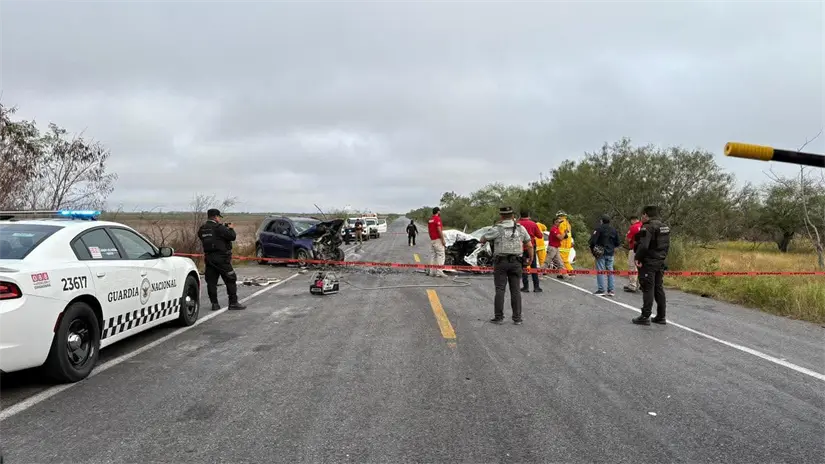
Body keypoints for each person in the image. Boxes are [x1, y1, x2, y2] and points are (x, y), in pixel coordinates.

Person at [479, 206, 533, 325]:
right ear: (513, 216)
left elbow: (482, 239)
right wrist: (530, 259)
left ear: (501, 216)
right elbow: (529, 245)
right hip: (516, 262)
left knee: (500, 290)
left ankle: (499, 317)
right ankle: (517, 318)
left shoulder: (497, 228)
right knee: (516, 290)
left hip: (501, 262)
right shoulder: (520, 228)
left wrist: (493, 229)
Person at [197, 208, 246, 311]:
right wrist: (230, 228)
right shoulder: (219, 228)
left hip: (209, 258)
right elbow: (232, 237)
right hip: (222, 259)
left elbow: (203, 237)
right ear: (216, 217)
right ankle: (233, 303)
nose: (219, 219)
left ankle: (214, 304)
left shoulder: (202, 229)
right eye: (219, 217)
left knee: (211, 282)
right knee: (231, 278)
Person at [632, 205, 671, 325]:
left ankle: (645, 316)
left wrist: (637, 257)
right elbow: (666, 245)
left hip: (649, 262)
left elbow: (644, 246)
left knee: (647, 288)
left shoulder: (648, 227)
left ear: (645, 215)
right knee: (658, 288)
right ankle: (661, 316)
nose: (641, 218)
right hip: (660, 261)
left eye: (642, 215)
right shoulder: (665, 227)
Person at [588, 214, 620, 296]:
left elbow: (592, 241)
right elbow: (618, 243)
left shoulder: (599, 228)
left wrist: (593, 251)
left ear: (601, 221)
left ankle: (601, 290)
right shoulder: (613, 230)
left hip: (600, 252)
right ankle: (611, 290)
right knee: (610, 271)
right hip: (610, 253)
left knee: (600, 271)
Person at [517, 210, 543, 292]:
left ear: (520, 215)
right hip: (531, 247)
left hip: (520, 248)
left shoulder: (517, 224)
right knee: (533, 267)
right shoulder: (533, 224)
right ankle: (536, 287)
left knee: (523, 267)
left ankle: (525, 287)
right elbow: (540, 235)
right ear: (528, 215)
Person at [623, 216, 643, 293]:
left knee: (632, 267)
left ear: (633, 220)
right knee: (640, 267)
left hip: (634, 249)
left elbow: (628, 239)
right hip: (642, 250)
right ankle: (641, 284)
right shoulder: (643, 226)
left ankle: (632, 285)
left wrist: (627, 236)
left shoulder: (633, 227)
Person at [427, 207, 447, 277]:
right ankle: (439, 272)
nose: (440, 213)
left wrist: (432, 238)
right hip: (438, 240)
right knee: (441, 255)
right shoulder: (437, 219)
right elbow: (439, 229)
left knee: (433, 256)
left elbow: (429, 230)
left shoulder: (430, 220)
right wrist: (443, 240)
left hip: (432, 240)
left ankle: (431, 272)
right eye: (439, 211)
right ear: (438, 212)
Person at [556, 210, 575, 278]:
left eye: (558, 217)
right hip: (567, 244)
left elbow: (561, 234)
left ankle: (571, 271)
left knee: (563, 260)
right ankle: (561, 273)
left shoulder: (561, 223)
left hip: (563, 244)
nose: (557, 219)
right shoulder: (567, 223)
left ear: (560, 217)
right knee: (561, 260)